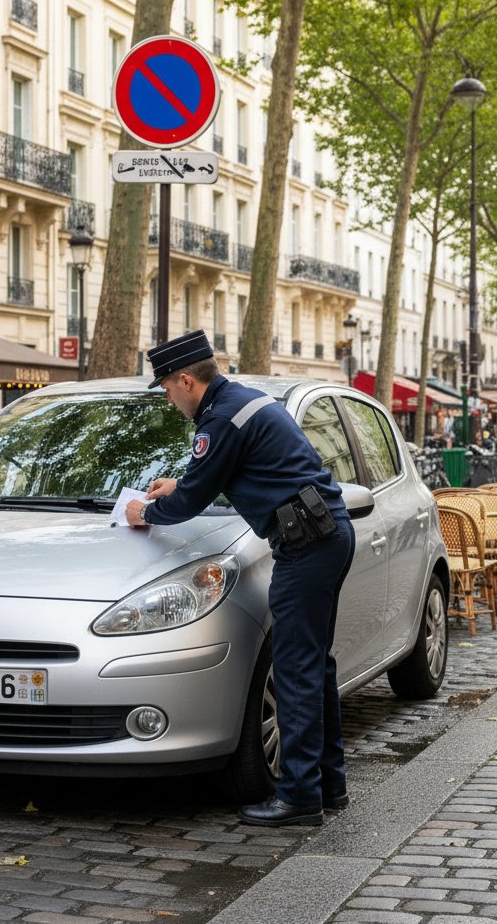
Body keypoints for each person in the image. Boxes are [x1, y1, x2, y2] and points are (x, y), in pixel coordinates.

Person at [124, 330, 356, 827]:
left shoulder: (220, 419)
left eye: (167, 388)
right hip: (325, 536)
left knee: (296, 672)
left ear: (187, 380)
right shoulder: (241, 403)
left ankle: (298, 797)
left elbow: (193, 500)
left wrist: (148, 510)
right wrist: (181, 483)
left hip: (305, 546)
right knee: (316, 667)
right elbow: (229, 472)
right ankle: (328, 784)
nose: (168, 398)